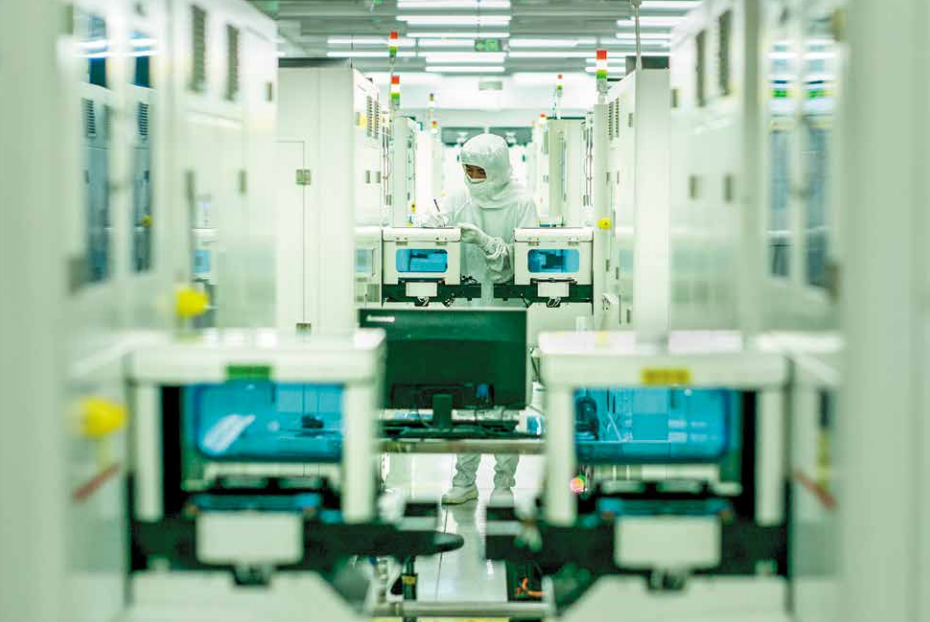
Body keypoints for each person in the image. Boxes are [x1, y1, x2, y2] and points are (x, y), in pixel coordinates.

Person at [420, 133, 538, 505]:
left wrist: (487, 242)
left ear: (498, 169)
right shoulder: (458, 199)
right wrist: (430, 225)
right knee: (466, 398)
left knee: (507, 401)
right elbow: (427, 238)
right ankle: (464, 480)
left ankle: (503, 485)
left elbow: (526, 263)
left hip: (506, 313)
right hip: (466, 311)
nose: (472, 177)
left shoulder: (522, 203)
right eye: (467, 170)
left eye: (479, 171)